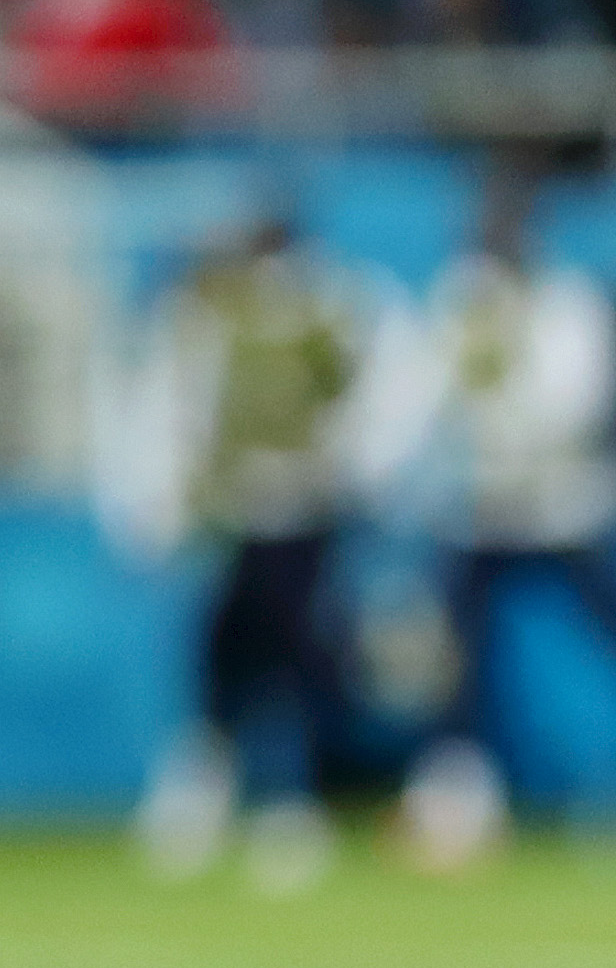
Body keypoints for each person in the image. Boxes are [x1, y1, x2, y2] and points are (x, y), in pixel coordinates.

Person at [129, 213, 371, 891]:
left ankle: (295, 795)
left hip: (302, 510)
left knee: (296, 651)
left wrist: (347, 472)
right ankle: (215, 787)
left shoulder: (327, 312)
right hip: (236, 513)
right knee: (226, 649)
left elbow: (363, 402)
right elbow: (181, 407)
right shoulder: (219, 316)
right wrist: (168, 498)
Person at [394, 182, 616, 870]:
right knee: (453, 656)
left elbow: (576, 401)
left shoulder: (565, 304)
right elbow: (424, 396)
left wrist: (506, 422)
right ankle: (454, 801)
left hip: (560, 509)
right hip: (478, 515)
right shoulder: (460, 304)